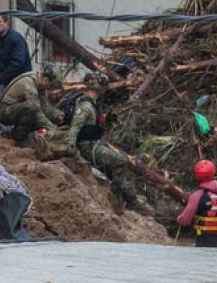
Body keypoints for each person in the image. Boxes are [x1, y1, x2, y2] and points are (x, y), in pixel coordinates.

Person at [44, 73, 148, 213]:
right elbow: (75, 129)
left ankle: (127, 198)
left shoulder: (93, 103)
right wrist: (72, 151)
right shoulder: (85, 105)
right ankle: (120, 200)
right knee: (120, 161)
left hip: (94, 143)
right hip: (87, 147)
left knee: (118, 161)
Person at [0, 67, 57, 146]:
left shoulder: (41, 86)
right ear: (45, 79)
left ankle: (18, 134)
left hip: (15, 109)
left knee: (35, 111)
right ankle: (20, 139)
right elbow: (36, 110)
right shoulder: (29, 83)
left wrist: (57, 117)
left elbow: (46, 108)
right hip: (3, 111)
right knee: (32, 108)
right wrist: (51, 128)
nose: (50, 88)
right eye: (51, 85)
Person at [177, 160, 217, 247]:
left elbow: (185, 220)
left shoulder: (197, 195)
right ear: (213, 172)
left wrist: (179, 219)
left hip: (205, 240)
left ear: (197, 175)